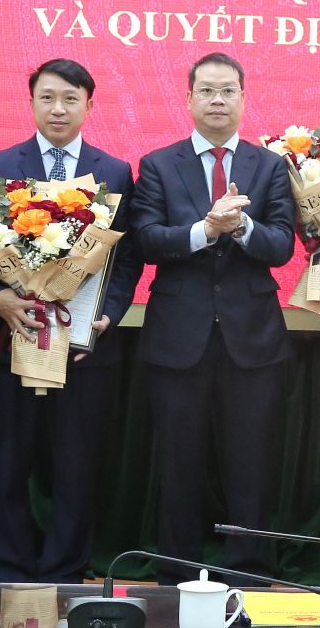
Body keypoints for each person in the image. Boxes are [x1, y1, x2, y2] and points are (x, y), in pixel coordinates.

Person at [0, 58, 140, 582]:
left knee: (75, 465)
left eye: (70, 99)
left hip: (82, 347)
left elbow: (126, 258)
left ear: (89, 105)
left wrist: (108, 314)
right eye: (47, 98)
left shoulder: (113, 172)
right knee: (8, 460)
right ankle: (7, 567)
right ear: (32, 102)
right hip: (9, 339)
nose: (58, 109)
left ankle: (66, 569)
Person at [131, 52, 296, 582]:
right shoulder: (159, 164)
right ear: (189, 99)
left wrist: (240, 227)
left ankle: (249, 574)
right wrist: (206, 229)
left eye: (228, 91)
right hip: (178, 340)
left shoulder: (270, 166)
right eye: (206, 90)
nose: (217, 100)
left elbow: (282, 245)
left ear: (244, 98)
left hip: (253, 341)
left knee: (251, 466)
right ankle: (178, 574)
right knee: (178, 465)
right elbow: (146, 239)